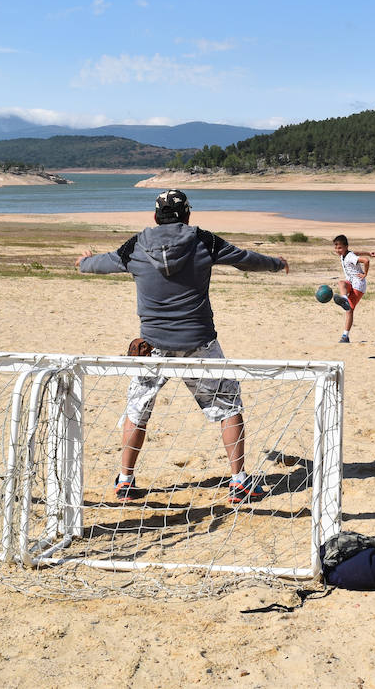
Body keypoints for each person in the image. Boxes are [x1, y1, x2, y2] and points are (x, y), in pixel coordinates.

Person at [77, 189, 289, 504]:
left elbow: (102, 263)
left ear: (154, 217)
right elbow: (246, 260)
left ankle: (125, 481)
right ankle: (239, 482)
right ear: (188, 216)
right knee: (229, 406)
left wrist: (83, 263)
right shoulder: (204, 241)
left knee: (138, 409)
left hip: (151, 346)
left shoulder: (135, 245)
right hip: (199, 342)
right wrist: (275, 263)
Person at [331, 234, 375, 343]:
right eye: (336, 248)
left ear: (346, 247)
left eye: (340, 248)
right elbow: (356, 252)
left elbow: (366, 261)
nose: (337, 250)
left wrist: (365, 274)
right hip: (351, 283)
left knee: (349, 311)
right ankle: (344, 298)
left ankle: (345, 336)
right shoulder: (346, 254)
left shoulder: (350, 256)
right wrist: (368, 252)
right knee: (341, 283)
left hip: (358, 285)